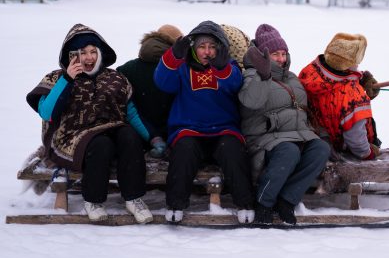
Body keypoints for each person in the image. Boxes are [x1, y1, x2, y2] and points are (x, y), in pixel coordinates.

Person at [26, 24, 154, 223]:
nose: (89, 57)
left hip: (113, 128)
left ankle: (134, 198)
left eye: (93, 51)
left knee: (129, 136)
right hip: (73, 136)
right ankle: (93, 200)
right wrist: (68, 79)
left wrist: (153, 138)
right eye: (82, 52)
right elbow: (47, 112)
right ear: (71, 55)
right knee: (101, 144)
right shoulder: (57, 78)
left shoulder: (115, 78)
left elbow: (131, 114)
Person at [154, 20, 255, 224]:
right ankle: (175, 204)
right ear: (193, 49)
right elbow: (162, 82)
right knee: (183, 153)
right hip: (188, 129)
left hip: (223, 129)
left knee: (233, 153)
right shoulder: (182, 67)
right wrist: (173, 57)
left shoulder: (229, 67)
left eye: (212, 47)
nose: (207, 51)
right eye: (202, 46)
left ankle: (245, 204)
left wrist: (221, 68)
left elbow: (234, 84)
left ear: (220, 49)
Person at [238, 24, 330, 225]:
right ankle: (263, 202)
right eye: (274, 54)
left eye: (283, 53)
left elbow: (311, 99)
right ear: (263, 56)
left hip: (298, 134)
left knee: (321, 149)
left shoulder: (291, 77)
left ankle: (287, 200)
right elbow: (251, 101)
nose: (281, 59)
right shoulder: (251, 76)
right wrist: (263, 76)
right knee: (289, 151)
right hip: (264, 138)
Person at [298, 33, 382, 161]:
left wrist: (361, 78)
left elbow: (335, 80)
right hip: (343, 148)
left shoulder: (310, 71)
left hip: (318, 137)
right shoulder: (352, 96)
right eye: (356, 62)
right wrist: (368, 153)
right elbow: (356, 138)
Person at [117, 24, 183, 158]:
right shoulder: (181, 69)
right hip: (176, 140)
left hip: (136, 139)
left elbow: (125, 108)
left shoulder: (126, 69)